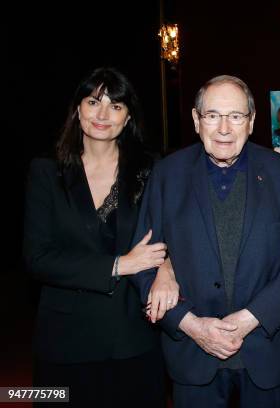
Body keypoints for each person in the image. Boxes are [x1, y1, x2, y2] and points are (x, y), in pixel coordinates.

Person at [130, 75, 280, 408]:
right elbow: (141, 263)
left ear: (252, 121)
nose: (224, 128)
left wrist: (248, 318)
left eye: (236, 116)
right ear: (196, 121)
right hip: (192, 354)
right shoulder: (167, 175)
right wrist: (191, 325)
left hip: (268, 352)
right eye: (213, 115)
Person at [23, 67, 168, 407]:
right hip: (65, 341)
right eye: (93, 102)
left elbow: (173, 236)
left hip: (135, 336)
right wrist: (119, 264)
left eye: (115, 106)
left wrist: (169, 269)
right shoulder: (45, 172)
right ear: (78, 109)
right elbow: (37, 258)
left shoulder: (152, 169)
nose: (103, 115)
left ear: (128, 115)